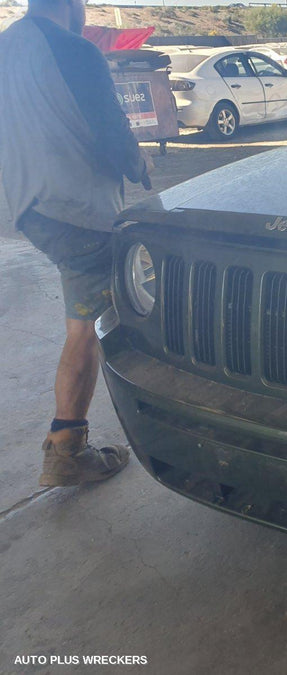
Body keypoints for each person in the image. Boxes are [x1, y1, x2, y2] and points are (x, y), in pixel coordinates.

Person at [0, 0, 153, 486]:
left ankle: (66, 441)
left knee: (85, 318)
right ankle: (68, 448)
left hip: (31, 207)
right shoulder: (74, 50)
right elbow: (110, 128)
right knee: (96, 325)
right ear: (70, 5)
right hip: (79, 211)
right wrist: (139, 167)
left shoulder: (6, 47)